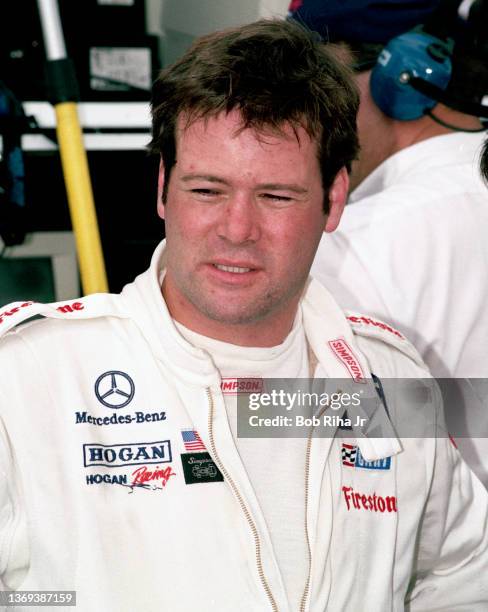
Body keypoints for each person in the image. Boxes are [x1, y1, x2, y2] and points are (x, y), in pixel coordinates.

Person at [0, 19, 487, 612]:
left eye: (276, 196)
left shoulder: (388, 377)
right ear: (163, 189)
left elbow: (463, 575)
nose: (237, 230)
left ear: (334, 200)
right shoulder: (28, 376)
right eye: (207, 190)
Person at [289, 0, 488, 485]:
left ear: (400, 74)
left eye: (318, 80)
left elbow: (308, 434)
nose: (302, 108)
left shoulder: (360, 240)